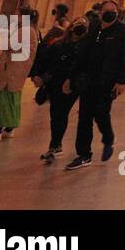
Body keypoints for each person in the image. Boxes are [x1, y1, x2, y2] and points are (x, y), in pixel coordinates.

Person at [65, 0, 125, 171]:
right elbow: (82, 54)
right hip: (88, 80)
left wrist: (122, 81)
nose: (109, 13)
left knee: (101, 114)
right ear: (101, 12)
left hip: (108, 81)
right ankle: (83, 154)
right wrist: (71, 77)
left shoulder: (123, 31)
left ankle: (108, 138)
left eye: (113, 10)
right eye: (106, 10)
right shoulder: (94, 28)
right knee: (84, 116)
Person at [0, 11, 37, 143]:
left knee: (2, 100)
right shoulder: (30, 30)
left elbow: (9, 45)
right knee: (12, 100)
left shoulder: (25, 30)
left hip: (11, 71)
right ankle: (9, 129)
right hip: (17, 71)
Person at [30, 23, 83, 164]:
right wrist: (37, 75)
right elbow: (42, 59)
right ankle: (55, 144)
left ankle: (55, 145)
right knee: (55, 114)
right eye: (78, 24)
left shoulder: (86, 48)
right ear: (71, 27)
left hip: (72, 86)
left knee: (62, 112)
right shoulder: (58, 45)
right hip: (55, 84)